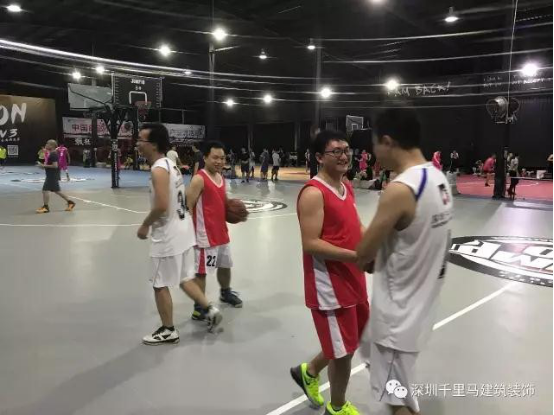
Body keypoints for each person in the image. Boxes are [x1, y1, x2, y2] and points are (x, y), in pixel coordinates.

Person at [357, 108, 453, 415]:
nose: (374, 153)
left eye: (375, 144)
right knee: (369, 352)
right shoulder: (438, 178)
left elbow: (363, 254)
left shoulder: (400, 190)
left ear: (387, 142)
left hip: (397, 316)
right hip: (421, 304)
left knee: (397, 401)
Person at [291, 130, 367, 415]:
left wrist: (373, 246)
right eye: (336, 151)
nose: (344, 155)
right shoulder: (313, 193)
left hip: (352, 277)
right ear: (319, 157)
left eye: (346, 150)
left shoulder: (346, 186)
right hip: (329, 286)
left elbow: (355, 226)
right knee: (344, 351)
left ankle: (309, 371)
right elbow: (311, 244)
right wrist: (356, 256)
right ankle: (336, 407)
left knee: (350, 339)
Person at [136, 124, 222, 345]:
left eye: (141, 140)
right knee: (184, 278)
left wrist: (145, 225)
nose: (137, 144)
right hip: (184, 229)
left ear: (153, 144)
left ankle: (168, 330)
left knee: (159, 283)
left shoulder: (158, 169)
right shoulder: (170, 164)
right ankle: (210, 309)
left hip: (167, 234)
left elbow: (161, 205)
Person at [187, 141, 243, 321]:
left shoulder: (221, 177)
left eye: (222, 158)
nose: (219, 161)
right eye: (215, 158)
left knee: (225, 265)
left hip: (221, 232)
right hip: (205, 235)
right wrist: (188, 233)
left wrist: (232, 211)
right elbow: (188, 206)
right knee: (202, 272)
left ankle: (225, 293)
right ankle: (199, 307)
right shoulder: (199, 179)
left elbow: (222, 202)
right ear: (205, 158)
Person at [36, 140, 76, 214]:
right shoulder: (51, 154)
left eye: (47, 144)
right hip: (52, 175)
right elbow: (51, 165)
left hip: (52, 175)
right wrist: (42, 166)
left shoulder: (53, 154)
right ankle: (70, 203)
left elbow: (55, 166)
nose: (46, 145)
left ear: (52, 146)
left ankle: (45, 207)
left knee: (45, 190)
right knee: (57, 191)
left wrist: (43, 165)